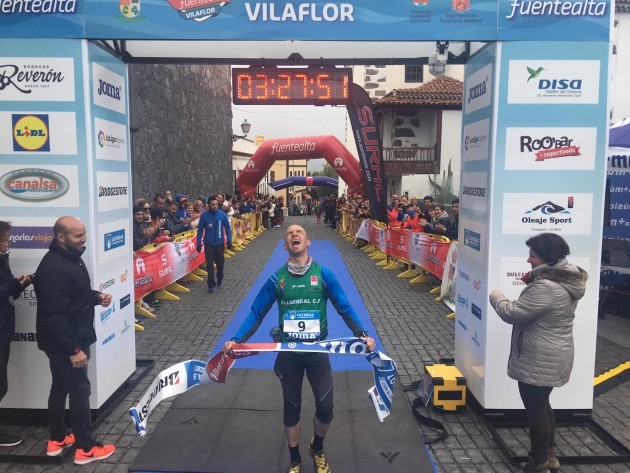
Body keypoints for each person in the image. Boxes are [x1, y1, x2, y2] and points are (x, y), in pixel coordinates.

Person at [223, 224, 376, 473]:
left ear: (308, 242)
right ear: (285, 245)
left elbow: (345, 308)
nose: (295, 234)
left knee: (326, 408)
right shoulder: (277, 279)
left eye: (300, 232)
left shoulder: (325, 275)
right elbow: (255, 312)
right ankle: (295, 459)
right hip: (289, 354)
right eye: (290, 233)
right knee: (291, 408)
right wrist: (236, 339)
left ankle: (317, 447)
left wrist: (363, 334)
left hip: (317, 352)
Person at [489, 233, 588, 473]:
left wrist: (497, 297)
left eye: (532, 255)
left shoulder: (546, 287)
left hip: (540, 357)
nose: (528, 260)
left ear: (548, 258)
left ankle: (539, 462)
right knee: (542, 405)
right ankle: (550, 456)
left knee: (536, 411)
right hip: (552, 354)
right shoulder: (565, 277)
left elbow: (512, 313)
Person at [33, 216, 116, 464]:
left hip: (69, 339)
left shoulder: (71, 258)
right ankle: (86, 449)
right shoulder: (53, 268)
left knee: (60, 386)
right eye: (78, 236)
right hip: (68, 343)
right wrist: (74, 349)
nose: (84, 240)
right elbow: (53, 317)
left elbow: (73, 298)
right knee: (80, 391)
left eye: (84, 234)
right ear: (61, 237)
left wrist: (95, 297)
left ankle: (57, 439)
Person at [0, 221, 32, 447]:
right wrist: (13, 286)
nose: (6, 244)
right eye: (2, 240)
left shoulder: (3, 262)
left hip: (4, 330)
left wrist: (20, 285)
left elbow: (6, 295)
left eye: (6, 239)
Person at [196, 195, 233, 293]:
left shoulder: (222, 215)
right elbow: (200, 230)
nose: (215, 206)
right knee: (209, 265)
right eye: (212, 204)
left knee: (220, 264)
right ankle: (211, 284)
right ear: (208, 205)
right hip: (208, 244)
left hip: (220, 244)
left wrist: (229, 240)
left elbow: (228, 228)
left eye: (216, 204)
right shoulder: (204, 216)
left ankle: (220, 277)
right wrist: (198, 243)